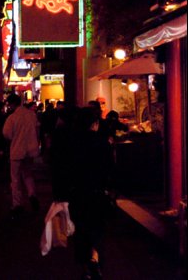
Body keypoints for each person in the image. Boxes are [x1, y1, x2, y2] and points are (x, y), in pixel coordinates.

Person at [69, 107, 115, 280]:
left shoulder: (72, 143)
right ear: (95, 124)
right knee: (97, 227)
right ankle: (94, 257)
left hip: (78, 193)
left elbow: (66, 170)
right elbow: (110, 169)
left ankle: (85, 266)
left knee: (81, 228)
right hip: (98, 192)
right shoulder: (103, 143)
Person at [2, 93, 40, 217]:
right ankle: (32, 194)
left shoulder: (12, 118)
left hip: (17, 151)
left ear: (12, 104)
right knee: (28, 175)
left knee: (16, 179)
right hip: (30, 149)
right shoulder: (32, 115)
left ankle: (17, 204)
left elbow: (7, 134)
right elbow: (37, 130)